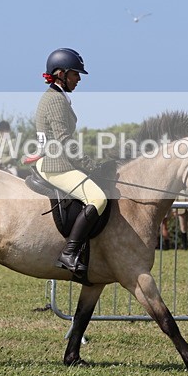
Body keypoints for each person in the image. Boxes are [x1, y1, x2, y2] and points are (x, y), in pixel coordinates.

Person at [35, 48, 107, 275]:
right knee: (98, 198)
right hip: (55, 164)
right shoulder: (56, 100)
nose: (78, 79)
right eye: (75, 74)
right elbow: (64, 139)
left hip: (53, 159)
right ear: (60, 73)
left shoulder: (55, 96)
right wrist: (90, 164)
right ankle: (69, 253)